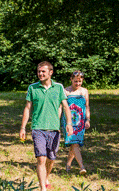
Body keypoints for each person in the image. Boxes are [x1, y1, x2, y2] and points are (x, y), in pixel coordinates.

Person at [21, 61, 73, 191]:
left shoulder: (59, 87)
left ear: (51, 72)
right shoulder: (33, 88)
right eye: (39, 71)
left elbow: (66, 107)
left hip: (54, 129)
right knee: (41, 159)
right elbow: (27, 108)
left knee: (51, 159)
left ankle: (46, 177)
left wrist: (69, 123)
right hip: (38, 128)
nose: (40, 74)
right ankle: (42, 188)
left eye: (43, 71)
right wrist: (23, 127)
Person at [63, 71, 90, 174]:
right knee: (74, 143)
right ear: (71, 79)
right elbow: (61, 106)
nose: (78, 84)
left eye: (80, 81)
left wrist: (88, 119)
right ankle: (82, 166)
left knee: (74, 144)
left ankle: (68, 165)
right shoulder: (65, 91)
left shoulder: (84, 91)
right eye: (75, 81)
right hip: (69, 121)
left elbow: (87, 106)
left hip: (80, 121)